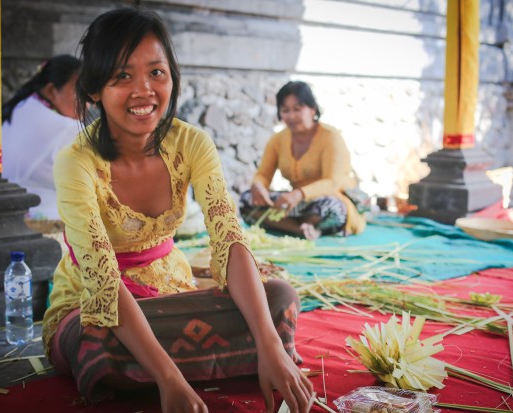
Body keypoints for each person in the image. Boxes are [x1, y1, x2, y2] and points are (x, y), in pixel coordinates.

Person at [42, 8, 314, 413]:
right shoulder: (75, 162)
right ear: (95, 89)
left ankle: (241, 357)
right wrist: (170, 380)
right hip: (93, 303)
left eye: (156, 72)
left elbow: (228, 236)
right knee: (93, 340)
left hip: (172, 295)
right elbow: (101, 278)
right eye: (122, 77)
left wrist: (271, 344)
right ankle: (184, 367)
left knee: (278, 298)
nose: (144, 90)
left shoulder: (192, 144)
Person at [240, 81, 366, 240]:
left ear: (313, 109)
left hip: (329, 199)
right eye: (285, 110)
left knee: (330, 206)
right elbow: (263, 175)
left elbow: (333, 181)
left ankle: (304, 225)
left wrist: (299, 194)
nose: (291, 116)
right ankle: (303, 229)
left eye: (297, 109)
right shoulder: (278, 140)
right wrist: (258, 186)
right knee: (246, 200)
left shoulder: (330, 137)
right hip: (297, 204)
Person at [2, 54, 81, 220]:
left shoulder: (20, 106)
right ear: (51, 90)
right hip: (45, 218)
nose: (88, 102)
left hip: (9, 212)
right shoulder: (66, 128)